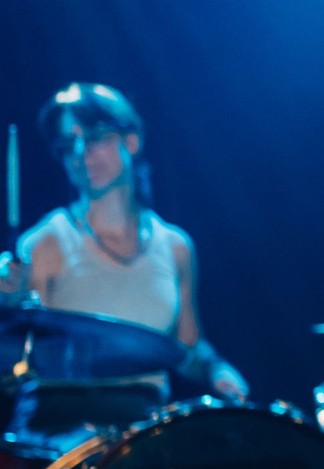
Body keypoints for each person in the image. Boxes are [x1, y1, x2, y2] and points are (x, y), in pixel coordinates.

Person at [4, 83, 246, 438]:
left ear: (131, 141)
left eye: (94, 137)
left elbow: (189, 349)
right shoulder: (45, 244)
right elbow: (18, 350)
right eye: (68, 144)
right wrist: (7, 303)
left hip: (144, 439)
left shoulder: (176, 247)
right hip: (60, 438)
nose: (81, 153)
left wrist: (217, 369)